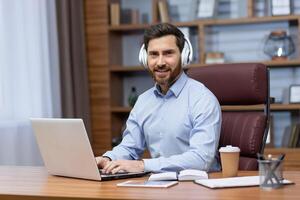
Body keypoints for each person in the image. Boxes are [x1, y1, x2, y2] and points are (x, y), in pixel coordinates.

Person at [96, 23, 221, 174]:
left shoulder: (203, 99)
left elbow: (201, 159)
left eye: (168, 53)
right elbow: (129, 147)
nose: (160, 62)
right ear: (145, 58)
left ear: (184, 56)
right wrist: (108, 159)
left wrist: (143, 165)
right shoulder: (143, 101)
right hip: (158, 186)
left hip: (199, 187)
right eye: (154, 54)